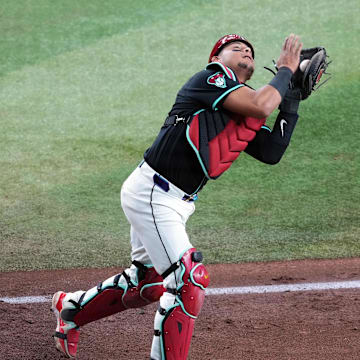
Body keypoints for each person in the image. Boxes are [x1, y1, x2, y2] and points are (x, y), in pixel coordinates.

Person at [51, 33, 303, 359]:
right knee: (188, 279)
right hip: (153, 192)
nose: (245, 51)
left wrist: (292, 99)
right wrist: (286, 70)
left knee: (150, 283)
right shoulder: (211, 78)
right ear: (217, 56)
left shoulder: (242, 109)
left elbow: (270, 151)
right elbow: (262, 103)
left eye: (250, 52)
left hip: (172, 202)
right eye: (235, 47)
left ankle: (71, 310)